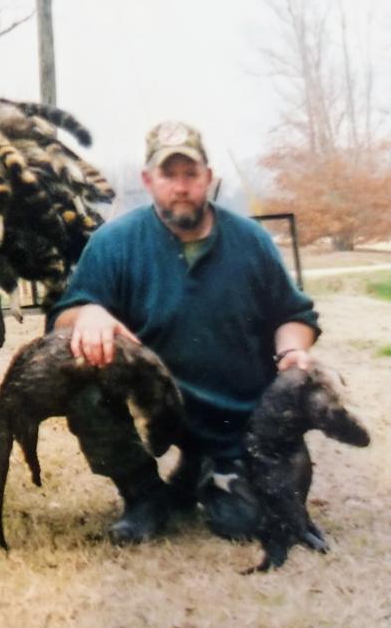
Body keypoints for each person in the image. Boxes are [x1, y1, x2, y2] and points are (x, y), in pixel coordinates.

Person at [47, 120, 320, 543]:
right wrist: (90, 313)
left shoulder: (251, 240)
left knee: (243, 525)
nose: (180, 187)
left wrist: (291, 353)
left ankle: (211, 468)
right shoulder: (114, 241)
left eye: (190, 175)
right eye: (168, 175)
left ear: (208, 179)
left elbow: (295, 314)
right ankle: (143, 495)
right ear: (147, 180)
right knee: (84, 387)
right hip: (154, 409)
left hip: (238, 413)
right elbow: (63, 319)